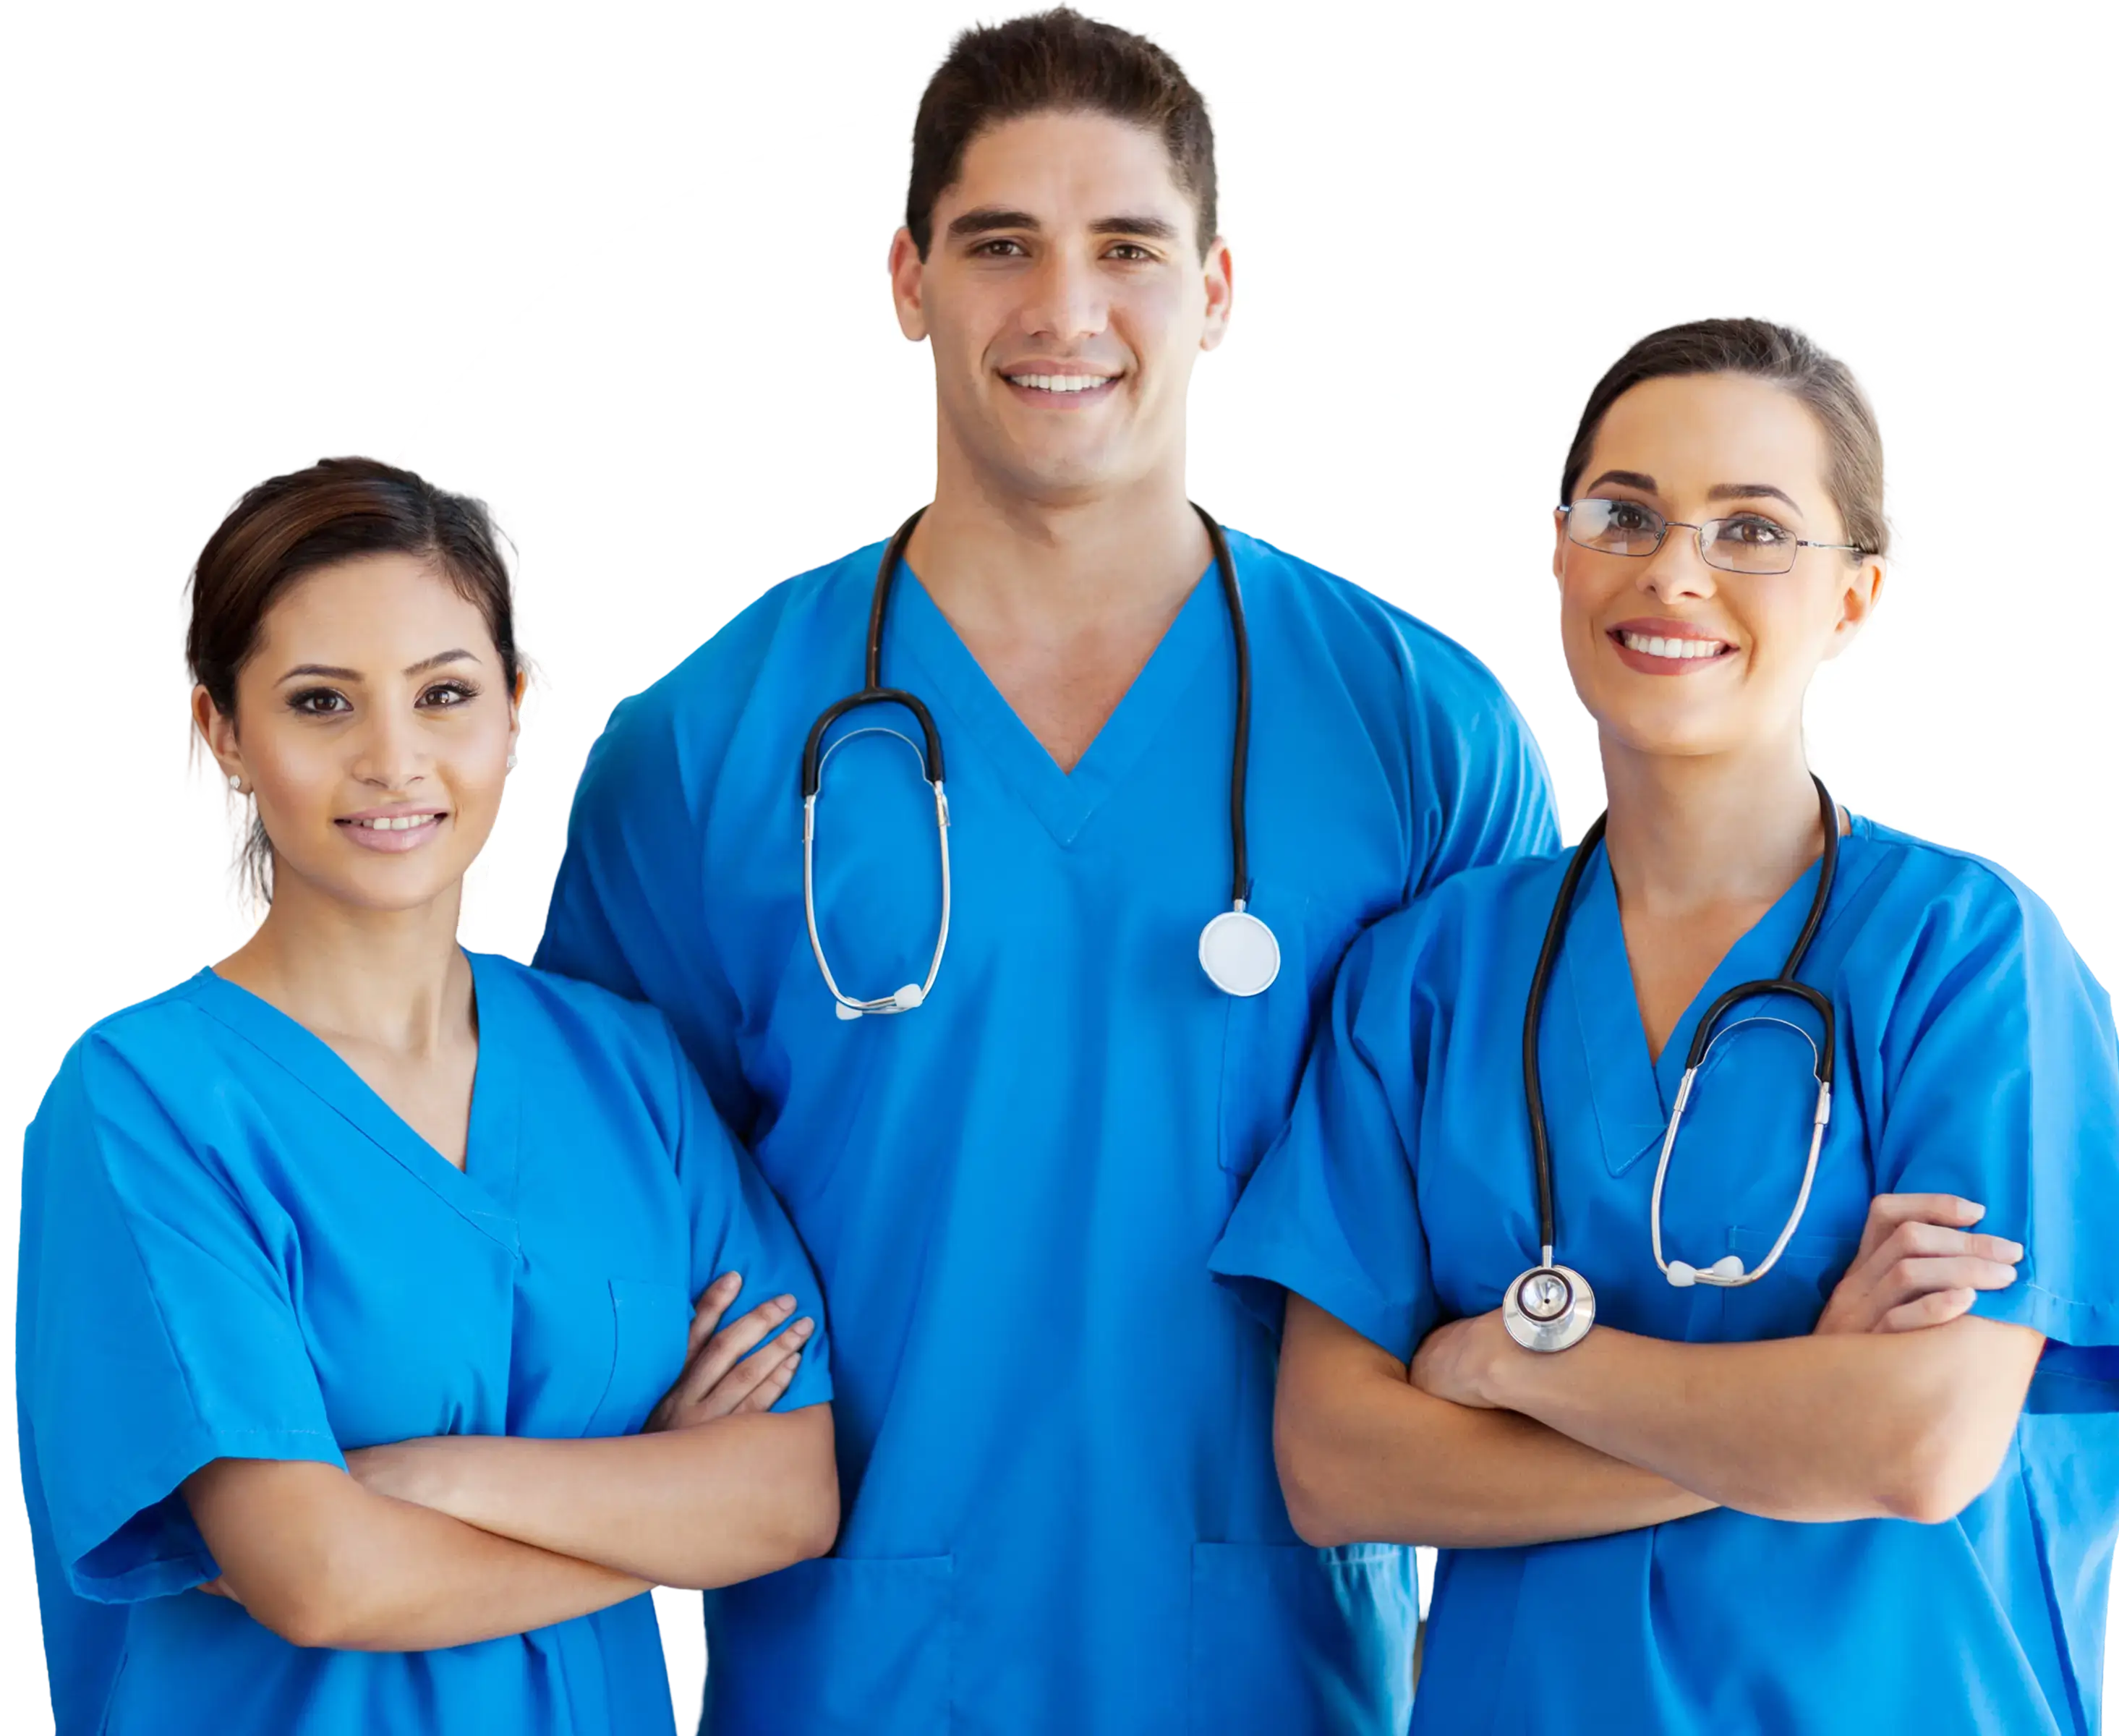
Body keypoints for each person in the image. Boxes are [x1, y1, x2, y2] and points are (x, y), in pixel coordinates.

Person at [528, 9, 1559, 1731]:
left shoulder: (1418, 732)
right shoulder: (699, 750)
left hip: (1281, 1665)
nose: (1063, 312)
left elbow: (1513, 1222)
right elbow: (587, 1239)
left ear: (1217, 290)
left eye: (1127, 251)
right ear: (907, 279)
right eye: (999, 244)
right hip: (856, 1665)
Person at [1208, 314, 2119, 1735]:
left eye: (1751, 530)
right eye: (1626, 513)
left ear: (1854, 594)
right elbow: (1335, 1465)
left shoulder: (1965, 960)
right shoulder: (1426, 979)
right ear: (1558, 548)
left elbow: (1918, 1443)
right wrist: (1793, 1418)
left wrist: (1520, 1361)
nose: (1671, 570)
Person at [15, 454, 840, 1736]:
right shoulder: (143, 1105)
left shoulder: (628, 1071)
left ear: (517, 707)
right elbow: (320, 1576)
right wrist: (658, 1508)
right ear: (219, 730)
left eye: (443, 694)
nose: (393, 761)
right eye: (320, 703)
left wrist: (425, 1478)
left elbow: (786, 1499)